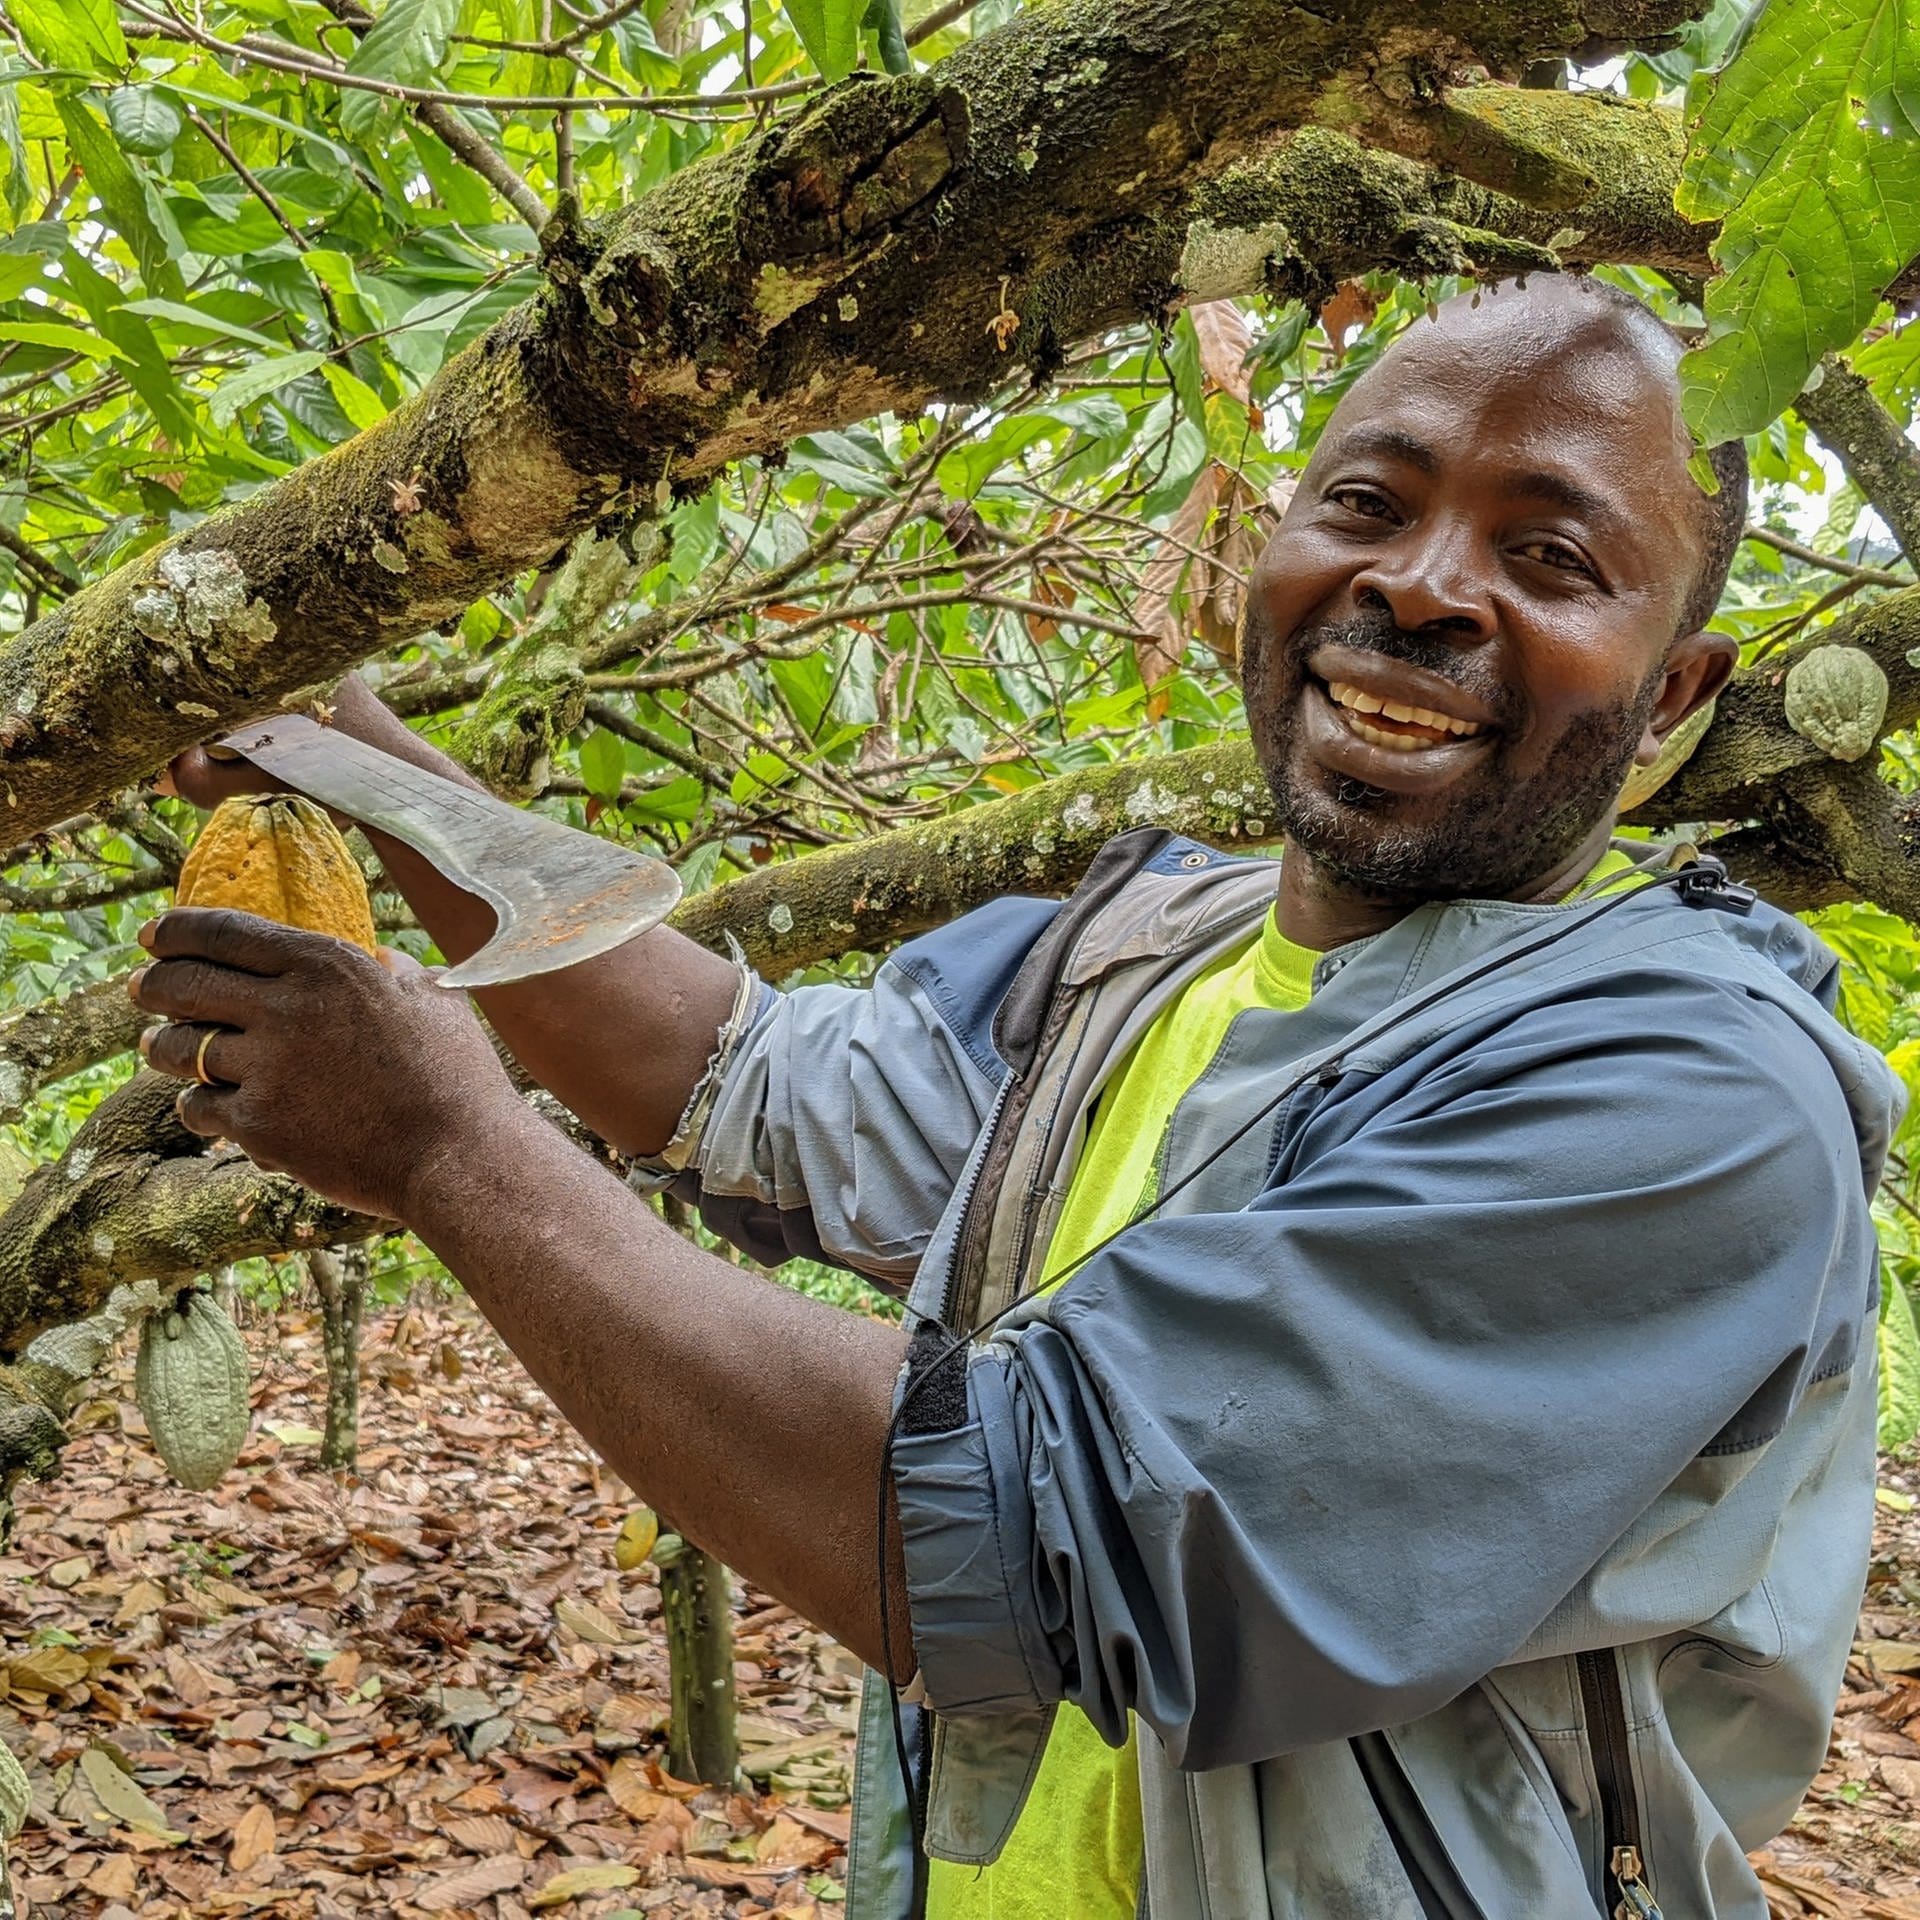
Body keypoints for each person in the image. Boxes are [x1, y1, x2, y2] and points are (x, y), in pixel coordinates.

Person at [134, 276, 1899, 1920]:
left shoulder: (1683, 1095)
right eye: (1368, 503)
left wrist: (447, 1148)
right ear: (1262, 552)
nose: (1425, 587)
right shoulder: (1148, 955)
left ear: (1672, 696)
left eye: (1552, 554)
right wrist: (355, 748)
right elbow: (724, 1069)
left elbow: (1037, 1544)